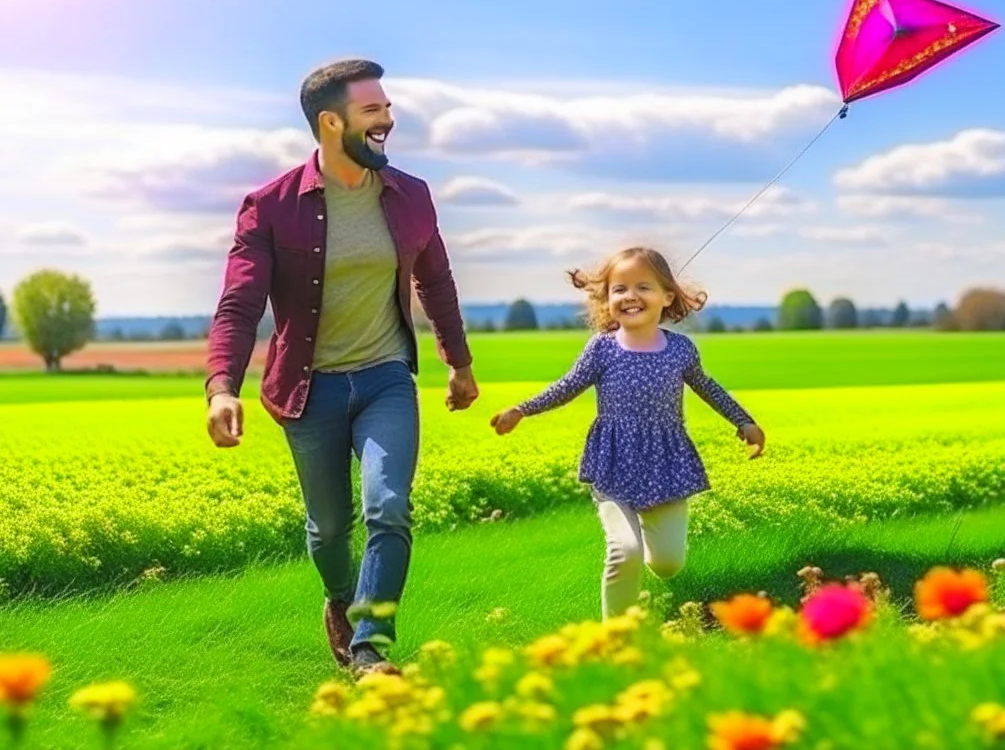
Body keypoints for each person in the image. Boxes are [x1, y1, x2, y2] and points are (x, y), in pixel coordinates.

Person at [203, 58, 479, 677]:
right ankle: (338, 599)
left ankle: (371, 649)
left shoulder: (411, 195)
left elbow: (435, 280)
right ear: (331, 122)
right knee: (330, 530)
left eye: (386, 108)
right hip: (309, 389)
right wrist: (222, 386)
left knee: (388, 503)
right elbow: (240, 303)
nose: (388, 120)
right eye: (372, 111)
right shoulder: (271, 206)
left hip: (386, 377)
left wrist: (458, 364)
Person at [489, 247, 764, 619]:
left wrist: (743, 421)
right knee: (624, 551)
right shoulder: (601, 348)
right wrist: (522, 409)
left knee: (668, 563)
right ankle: (617, 638)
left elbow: (707, 387)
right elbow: (568, 386)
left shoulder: (681, 349)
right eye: (620, 289)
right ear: (607, 298)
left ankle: (653, 554)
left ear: (667, 296)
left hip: (667, 462)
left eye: (643, 287)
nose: (630, 296)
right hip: (613, 461)